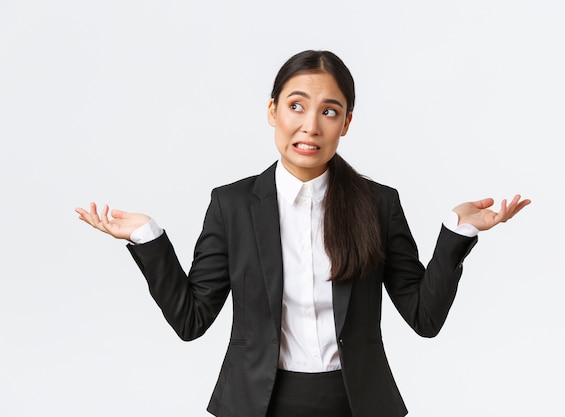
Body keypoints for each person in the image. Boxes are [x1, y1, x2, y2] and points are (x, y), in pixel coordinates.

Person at [75, 50, 530, 417]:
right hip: (257, 404)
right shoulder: (231, 205)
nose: (310, 126)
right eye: (296, 106)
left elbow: (424, 318)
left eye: (329, 111)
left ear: (346, 123)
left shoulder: (378, 204)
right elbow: (191, 320)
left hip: (356, 404)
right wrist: (148, 237)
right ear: (272, 111)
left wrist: (458, 233)